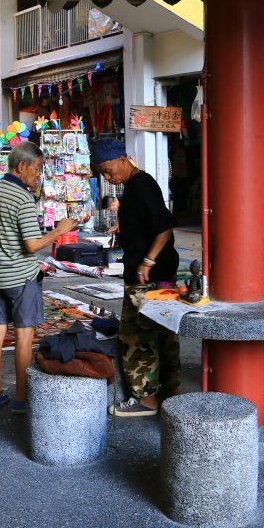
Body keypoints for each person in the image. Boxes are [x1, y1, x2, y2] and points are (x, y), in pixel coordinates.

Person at [0, 141, 77, 414]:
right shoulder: (22, 198)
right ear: (22, 167)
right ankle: (21, 397)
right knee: (23, 336)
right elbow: (32, 245)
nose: (38, 175)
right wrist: (60, 230)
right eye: (37, 168)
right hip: (21, 278)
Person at [90, 138, 180, 417]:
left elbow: (164, 227)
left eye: (108, 170)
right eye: (102, 174)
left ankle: (147, 399)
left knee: (134, 335)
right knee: (163, 331)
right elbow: (147, 222)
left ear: (123, 159)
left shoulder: (141, 185)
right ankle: (171, 392)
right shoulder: (135, 186)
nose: (108, 177)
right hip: (160, 273)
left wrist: (147, 261)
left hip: (148, 275)